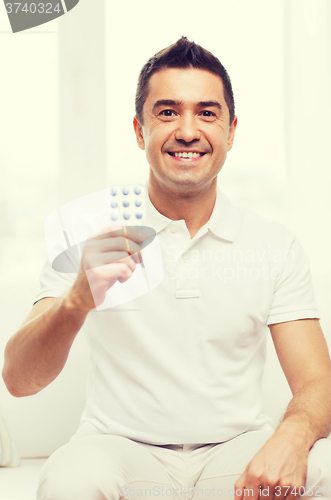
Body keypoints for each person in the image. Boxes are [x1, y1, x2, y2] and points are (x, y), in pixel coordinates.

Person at [3, 36, 331, 500]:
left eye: (207, 112)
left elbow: (318, 382)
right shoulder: (91, 230)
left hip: (235, 451)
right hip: (119, 449)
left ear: (231, 131)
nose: (188, 130)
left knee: (325, 465)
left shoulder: (273, 245)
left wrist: (292, 438)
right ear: (139, 131)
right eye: (167, 112)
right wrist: (77, 300)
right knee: (67, 480)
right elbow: (19, 378)